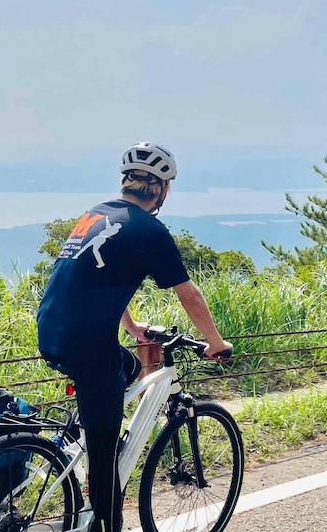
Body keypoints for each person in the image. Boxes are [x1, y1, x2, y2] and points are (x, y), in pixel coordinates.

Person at [36, 141, 233, 532]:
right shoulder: (149, 230)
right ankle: (104, 519)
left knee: (124, 366)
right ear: (161, 189)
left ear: (126, 182)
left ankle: (90, 428)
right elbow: (188, 295)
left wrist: (131, 327)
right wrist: (215, 342)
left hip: (50, 328)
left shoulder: (94, 214)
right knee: (106, 448)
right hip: (88, 344)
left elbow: (96, 277)